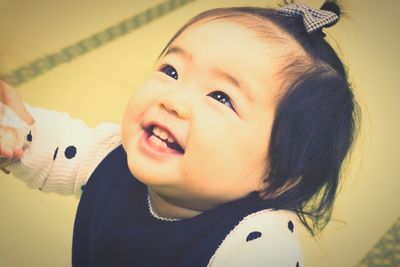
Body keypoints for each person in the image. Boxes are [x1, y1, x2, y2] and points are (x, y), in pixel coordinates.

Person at [0, 1, 360, 266]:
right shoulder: (111, 156)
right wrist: (15, 131)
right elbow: (53, 146)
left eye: (221, 97)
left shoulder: (258, 246)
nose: (173, 100)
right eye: (171, 71)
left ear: (279, 177)